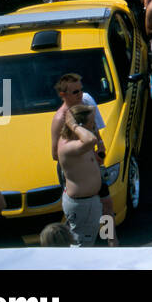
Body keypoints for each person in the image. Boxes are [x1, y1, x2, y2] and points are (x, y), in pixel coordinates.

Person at [56, 104, 103, 246]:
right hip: (81, 204)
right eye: (92, 123)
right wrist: (73, 125)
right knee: (80, 245)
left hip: (89, 201)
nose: (95, 126)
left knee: (88, 242)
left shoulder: (80, 141)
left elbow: (92, 110)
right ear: (80, 126)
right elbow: (91, 140)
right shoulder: (67, 146)